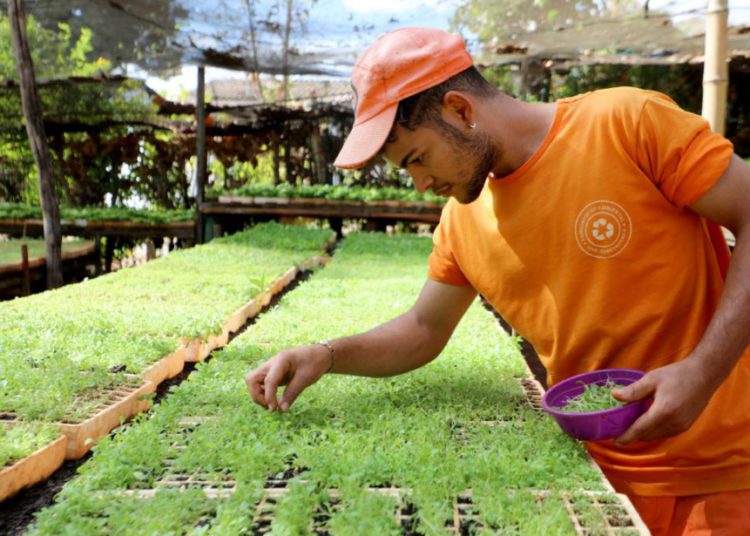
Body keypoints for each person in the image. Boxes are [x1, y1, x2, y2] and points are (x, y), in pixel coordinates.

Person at [245, 27, 750, 534]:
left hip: (719, 474)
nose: (420, 185)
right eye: (405, 172)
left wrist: (702, 372)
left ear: (460, 110)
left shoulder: (626, 122)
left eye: (417, 159)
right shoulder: (463, 222)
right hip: (591, 480)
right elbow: (423, 328)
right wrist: (326, 355)